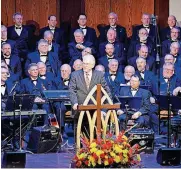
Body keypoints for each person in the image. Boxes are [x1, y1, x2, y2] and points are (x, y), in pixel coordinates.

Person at [69, 54, 112, 138]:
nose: (84, 65)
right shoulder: (75, 74)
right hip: (80, 108)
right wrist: (74, 103)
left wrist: (104, 109)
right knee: (80, 135)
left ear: (93, 65)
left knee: (95, 134)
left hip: (95, 109)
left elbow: (107, 92)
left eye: (87, 64)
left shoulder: (99, 75)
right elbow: (71, 90)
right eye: (84, 63)